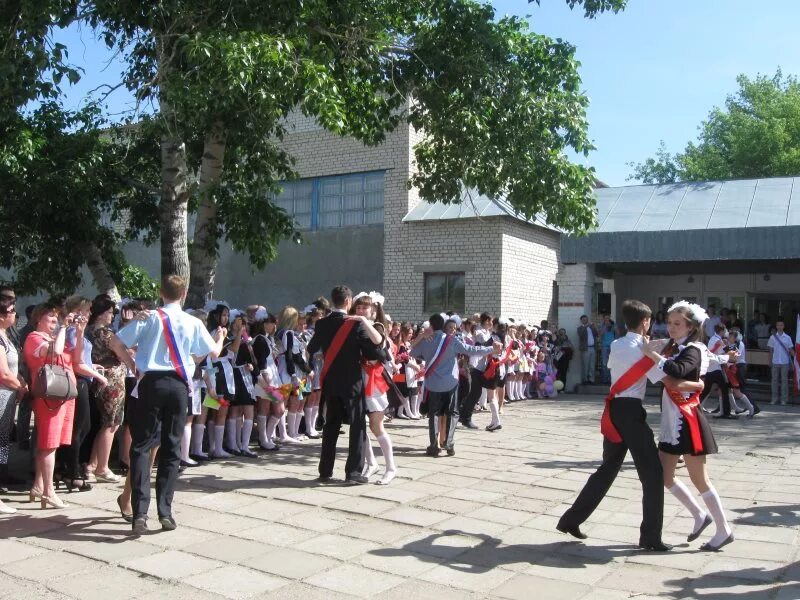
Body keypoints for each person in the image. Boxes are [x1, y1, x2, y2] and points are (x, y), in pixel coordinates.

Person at [557, 300, 702, 551]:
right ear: (646, 321)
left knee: (607, 469)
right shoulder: (644, 351)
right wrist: (695, 384)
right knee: (653, 474)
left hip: (614, 410)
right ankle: (650, 537)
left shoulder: (616, 344)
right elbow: (667, 380)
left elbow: (617, 366)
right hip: (631, 413)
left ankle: (571, 520)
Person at [116, 275, 225, 534]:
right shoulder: (193, 322)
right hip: (177, 386)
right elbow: (213, 353)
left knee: (141, 446)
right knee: (171, 447)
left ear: (160, 292)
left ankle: (139, 512)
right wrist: (220, 338)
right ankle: (165, 511)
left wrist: (132, 365)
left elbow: (116, 343)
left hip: (150, 383)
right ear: (184, 293)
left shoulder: (148, 317)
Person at [642, 301, 734, 551]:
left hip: (688, 420)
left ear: (691, 326)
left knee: (700, 479)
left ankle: (724, 529)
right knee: (665, 476)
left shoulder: (694, 349)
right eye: (670, 323)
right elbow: (667, 378)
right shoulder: (674, 348)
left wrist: (653, 354)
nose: (671, 328)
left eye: (677, 323)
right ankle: (699, 515)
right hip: (672, 421)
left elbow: (677, 370)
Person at [306, 285, 386, 484]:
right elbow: (373, 352)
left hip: (331, 381)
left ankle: (325, 471)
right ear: (349, 301)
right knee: (357, 426)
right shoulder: (356, 325)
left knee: (331, 426)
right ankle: (353, 473)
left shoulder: (322, 324)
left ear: (334, 301)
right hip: (352, 383)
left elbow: (311, 347)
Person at [410, 314, 499, 456]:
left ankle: (434, 446)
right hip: (451, 383)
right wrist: (491, 349)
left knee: (434, 414)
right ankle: (449, 444)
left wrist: (421, 338)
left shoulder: (427, 340)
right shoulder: (451, 340)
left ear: (431, 326)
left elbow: (413, 352)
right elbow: (471, 350)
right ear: (443, 326)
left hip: (433, 384)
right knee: (453, 412)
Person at [24, 302, 78, 509]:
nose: (55, 323)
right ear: (38, 319)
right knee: (49, 445)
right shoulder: (34, 338)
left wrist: (78, 332)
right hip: (49, 396)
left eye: (57, 320)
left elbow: (75, 357)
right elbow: (54, 353)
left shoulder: (53, 338)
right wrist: (64, 327)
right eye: (51, 319)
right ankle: (48, 491)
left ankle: (39, 486)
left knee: (49, 444)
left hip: (60, 395)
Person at [0, 297, 25, 513]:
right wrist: (22, 387)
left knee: (3, 442)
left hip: (7, 397)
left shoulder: (6, 336)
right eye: (11, 310)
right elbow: (4, 374)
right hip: (2, 395)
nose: (15, 314)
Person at [767, 319, 794, 406]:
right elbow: (770, 350)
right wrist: (770, 361)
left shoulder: (788, 337)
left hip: (785, 362)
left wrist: (796, 358)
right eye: (778, 325)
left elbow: (790, 350)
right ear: (776, 326)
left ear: (784, 326)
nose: (779, 327)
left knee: (784, 381)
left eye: (781, 325)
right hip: (775, 361)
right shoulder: (772, 337)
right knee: (774, 381)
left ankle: (784, 399)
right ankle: (774, 399)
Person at [577, 315, 598, 384]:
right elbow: (581, 335)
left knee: (592, 364)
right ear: (581, 321)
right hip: (586, 349)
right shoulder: (580, 328)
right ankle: (585, 379)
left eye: (586, 319)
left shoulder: (591, 327)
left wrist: (593, 327)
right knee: (586, 365)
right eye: (584, 320)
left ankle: (591, 379)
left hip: (592, 348)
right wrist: (586, 326)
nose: (586, 321)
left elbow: (596, 334)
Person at [599, 315, 616, 384]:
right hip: (604, 346)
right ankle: (605, 379)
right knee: (604, 363)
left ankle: (610, 379)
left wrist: (613, 326)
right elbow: (600, 334)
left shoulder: (613, 325)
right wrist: (605, 327)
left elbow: (618, 333)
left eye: (608, 319)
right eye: (606, 319)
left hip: (612, 346)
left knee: (612, 363)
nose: (607, 320)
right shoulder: (602, 325)